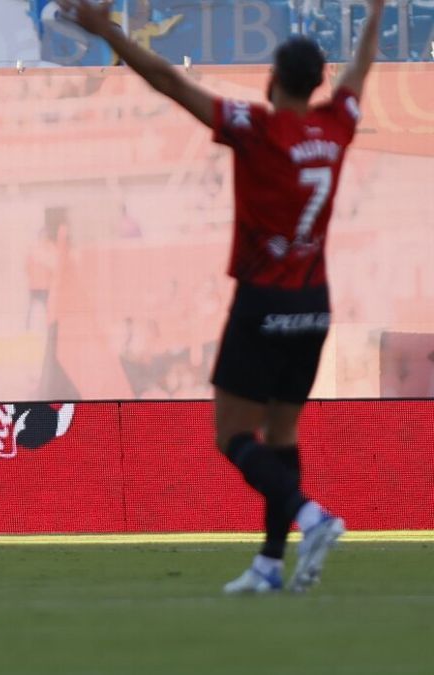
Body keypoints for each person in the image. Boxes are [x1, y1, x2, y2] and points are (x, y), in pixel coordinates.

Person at [63, 0, 382, 593]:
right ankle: (268, 564)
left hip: (263, 302)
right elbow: (360, 73)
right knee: (282, 438)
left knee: (233, 436)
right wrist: (376, 14)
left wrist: (107, 31)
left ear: (271, 80)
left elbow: (168, 81)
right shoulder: (338, 125)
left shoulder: (257, 127)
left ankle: (312, 518)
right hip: (314, 304)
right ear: (319, 83)